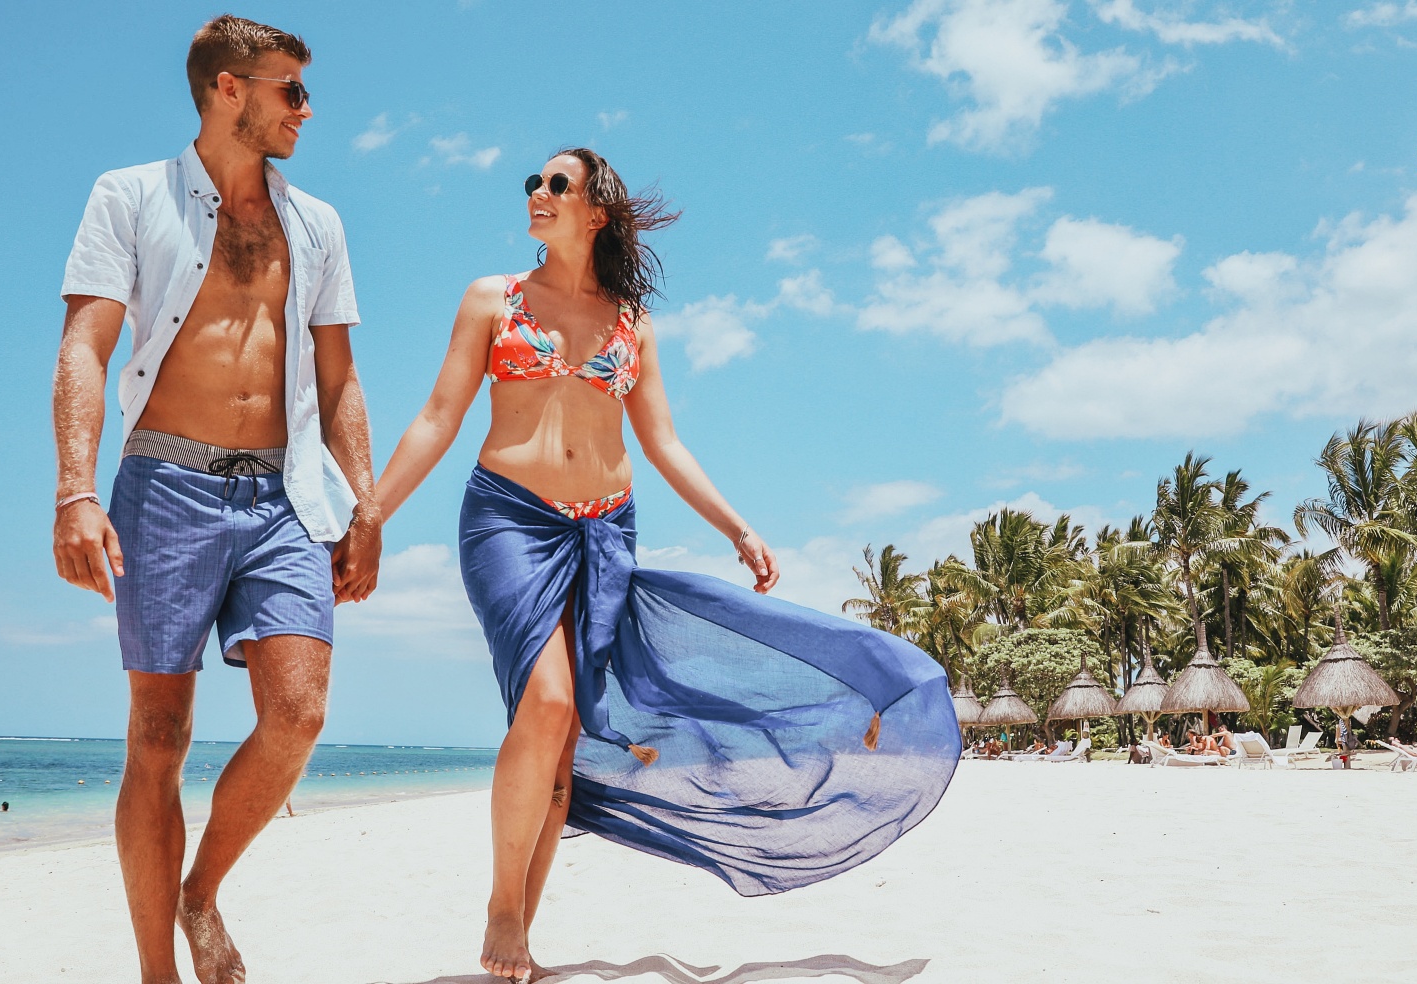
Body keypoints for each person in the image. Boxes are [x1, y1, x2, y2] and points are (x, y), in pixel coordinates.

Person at [374, 148, 957, 981]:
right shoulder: (492, 299)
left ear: (596, 211)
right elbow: (437, 416)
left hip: (607, 530)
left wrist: (735, 525)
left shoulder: (631, 323)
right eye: (532, 185)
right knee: (545, 705)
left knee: (567, 725)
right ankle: (503, 908)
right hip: (509, 519)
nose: (537, 194)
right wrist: (372, 516)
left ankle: (521, 935)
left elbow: (663, 442)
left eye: (556, 185)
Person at [51, 16, 378, 984]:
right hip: (163, 483)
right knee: (159, 735)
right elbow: (86, 347)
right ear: (227, 90)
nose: (306, 110)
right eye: (290, 91)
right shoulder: (129, 196)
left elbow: (339, 375)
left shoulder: (316, 223)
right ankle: (159, 971)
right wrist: (76, 489)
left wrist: (364, 503)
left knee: (299, 712)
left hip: (284, 494)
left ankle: (201, 891)